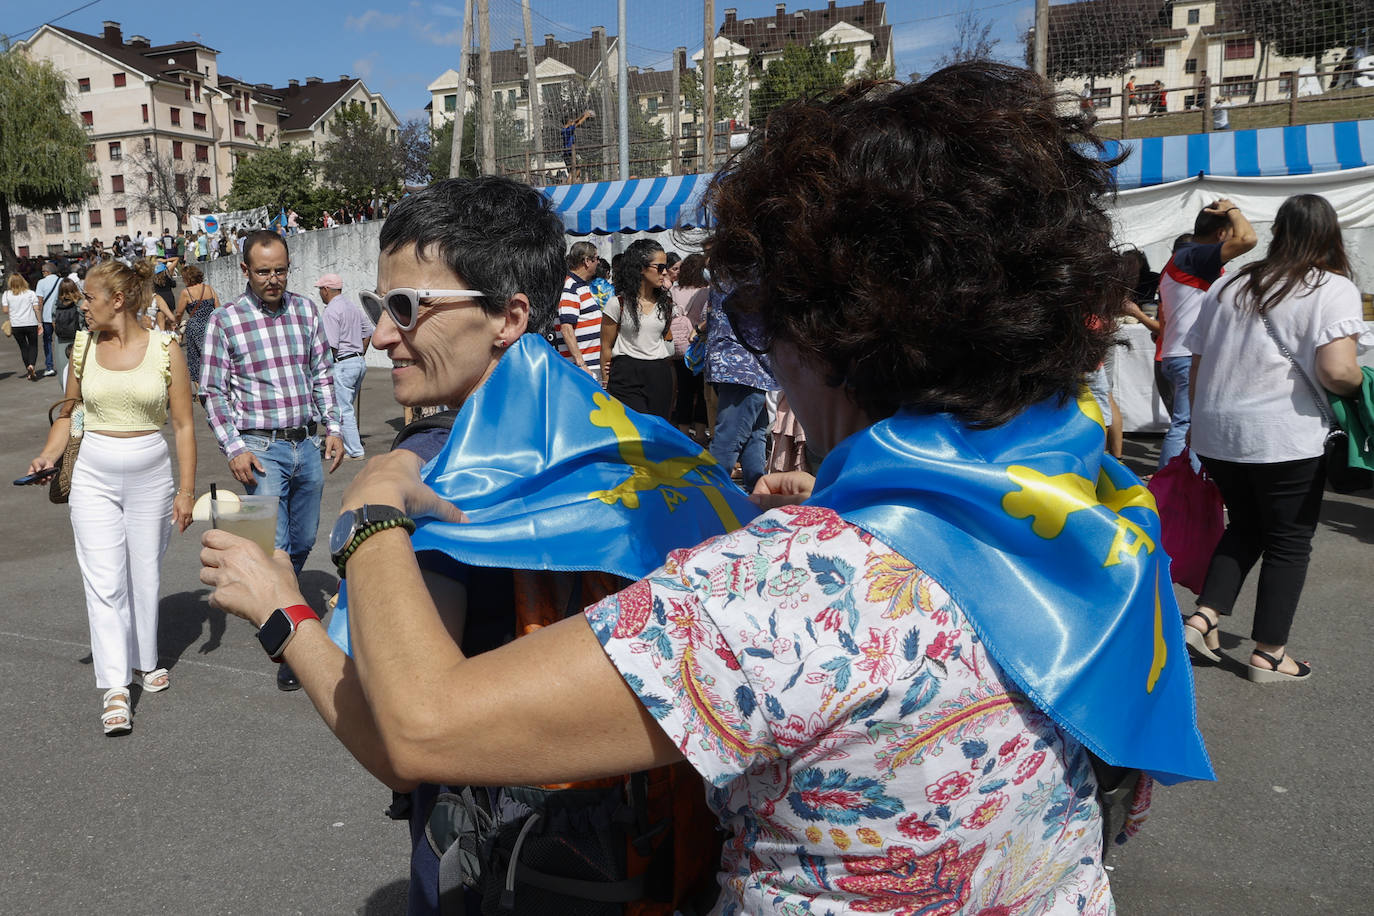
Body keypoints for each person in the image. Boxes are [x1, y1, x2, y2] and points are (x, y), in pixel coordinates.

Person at [203, 65, 1213, 914]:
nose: (384, 330)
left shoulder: (785, 589)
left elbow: (418, 729)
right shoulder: (1093, 506)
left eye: (769, 314)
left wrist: (365, 513)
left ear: (830, 331)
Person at [201, 176, 752, 915]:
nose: (379, 334)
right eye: (377, 306)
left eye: (406, 308)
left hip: (505, 871)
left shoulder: (434, 472)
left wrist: (279, 609)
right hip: (643, 866)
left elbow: (397, 744)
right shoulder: (642, 443)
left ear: (508, 316)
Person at [1183, 194, 1369, 682]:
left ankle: (1204, 617)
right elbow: (1337, 371)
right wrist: (1361, 384)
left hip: (1217, 429)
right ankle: (1269, 654)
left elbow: (1198, 362)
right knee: (1288, 541)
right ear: (1330, 233)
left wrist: (1198, 427)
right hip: (1283, 434)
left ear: (1279, 230)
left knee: (1244, 525)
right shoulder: (1331, 287)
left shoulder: (1232, 284)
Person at [23, 259, 196, 735]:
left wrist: (186, 490)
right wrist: (47, 456)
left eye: (89, 298)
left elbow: (182, 425)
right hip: (93, 474)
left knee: (145, 574)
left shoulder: (165, 347)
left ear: (116, 301)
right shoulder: (81, 347)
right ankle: (116, 687)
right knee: (104, 580)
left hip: (151, 476)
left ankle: (144, 656)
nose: (83, 307)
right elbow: (70, 414)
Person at [200, 229, 344, 691]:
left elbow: (322, 371)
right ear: (245, 270)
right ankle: (293, 647)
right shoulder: (225, 320)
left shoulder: (305, 309)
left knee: (302, 541)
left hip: (306, 445)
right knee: (275, 546)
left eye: (280, 270)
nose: (273, 279)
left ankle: (266, 594)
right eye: (263, 271)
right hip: (260, 450)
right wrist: (234, 447)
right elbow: (213, 391)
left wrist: (334, 428)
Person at [1155, 200, 1257, 468]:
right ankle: (1171, 489)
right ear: (1221, 234)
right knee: (1186, 422)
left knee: (1193, 424)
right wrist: (1234, 210)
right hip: (1187, 355)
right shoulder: (1195, 256)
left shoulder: (1188, 257)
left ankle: (1185, 487)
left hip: (1180, 353)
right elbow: (1248, 239)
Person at [703, 283, 779, 492]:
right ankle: (710, 497)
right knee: (730, 439)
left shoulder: (729, 269)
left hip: (741, 367)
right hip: (744, 366)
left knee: (754, 436)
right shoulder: (748, 271)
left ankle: (757, 495)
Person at [601, 238, 675, 419]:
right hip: (625, 374)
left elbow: (666, 339)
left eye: (666, 267)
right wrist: (605, 379)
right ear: (641, 268)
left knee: (658, 432)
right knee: (633, 431)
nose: (664, 272)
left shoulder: (666, 304)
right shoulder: (617, 303)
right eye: (659, 267)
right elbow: (606, 347)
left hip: (659, 373)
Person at [317, 273, 373, 459]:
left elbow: (331, 346)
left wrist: (322, 370)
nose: (320, 293)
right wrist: (360, 354)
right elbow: (368, 332)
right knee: (346, 407)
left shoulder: (331, 311)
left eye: (320, 289)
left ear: (326, 290)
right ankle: (345, 444)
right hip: (358, 362)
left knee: (342, 409)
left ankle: (355, 451)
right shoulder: (352, 307)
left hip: (343, 363)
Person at [670, 252, 710, 442]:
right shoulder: (706, 291)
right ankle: (701, 435)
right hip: (700, 348)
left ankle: (684, 435)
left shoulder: (674, 291)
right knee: (702, 394)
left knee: (684, 392)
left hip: (679, 349)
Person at [556, 240, 601, 377]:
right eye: (596, 258)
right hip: (582, 369)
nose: (598, 262)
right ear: (587, 261)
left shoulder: (580, 286)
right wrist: (581, 364)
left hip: (588, 366)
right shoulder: (570, 286)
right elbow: (566, 328)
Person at [176, 264, 221, 391]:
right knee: (212, 356)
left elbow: (179, 312)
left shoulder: (186, 292)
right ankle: (216, 384)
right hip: (211, 326)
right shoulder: (209, 289)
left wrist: (176, 323)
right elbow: (218, 308)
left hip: (195, 327)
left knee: (195, 359)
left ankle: (201, 390)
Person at [3, 273, 43, 380]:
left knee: (23, 347)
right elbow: (36, 309)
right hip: (31, 323)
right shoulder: (30, 293)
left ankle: (29, 371)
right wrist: (40, 323)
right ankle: (32, 365)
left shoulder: (6, 294)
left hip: (16, 325)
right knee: (33, 345)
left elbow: (5, 310)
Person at [52, 278, 84, 389]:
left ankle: (67, 395)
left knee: (63, 372)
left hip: (61, 341)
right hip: (79, 339)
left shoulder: (57, 303)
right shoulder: (81, 302)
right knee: (80, 370)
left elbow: (53, 322)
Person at [35, 261, 61, 377]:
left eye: (43, 272)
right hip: (60, 316)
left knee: (47, 342)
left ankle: (49, 366)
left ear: (47, 271)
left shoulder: (41, 283)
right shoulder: (61, 281)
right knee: (62, 341)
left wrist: (38, 319)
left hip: (46, 317)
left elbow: (39, 302)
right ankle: (65, 365)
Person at [560, 108, 594, 180]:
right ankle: (569, 184)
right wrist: (585, 117)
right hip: (569, 152)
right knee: (573, 171)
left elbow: (575, 121)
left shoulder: (564, 129)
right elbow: (578, 124)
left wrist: (582, 115)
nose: (572, 121)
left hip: (568, 152)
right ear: (568, 123)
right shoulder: (568, 130)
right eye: (570, 121)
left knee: (576, 170)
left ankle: (574, 181)